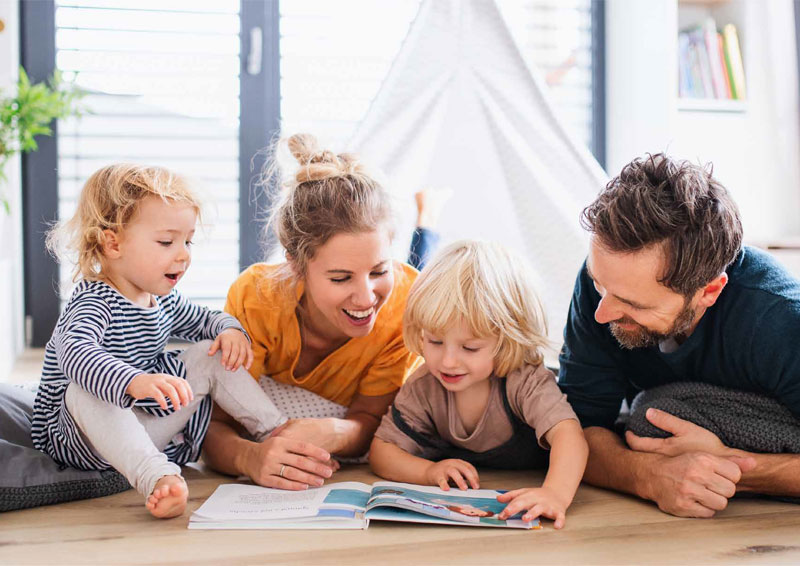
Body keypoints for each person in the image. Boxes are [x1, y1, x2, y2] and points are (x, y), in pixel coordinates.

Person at [30, 164, 318, 519]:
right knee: (82, 389)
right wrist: (133, 382)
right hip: (81, 439)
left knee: (207, 353)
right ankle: (157, 476)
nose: (183, 254)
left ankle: (275, 430)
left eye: (187, 240)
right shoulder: (93, 302)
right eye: (167, 242)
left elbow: (206, 319)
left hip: (141, 428)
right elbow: (75, 355)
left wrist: (229, 330)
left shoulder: (161, 300)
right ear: (113, 242)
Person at [558, 153, 800, 517]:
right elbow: (575, 430)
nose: (601, 312)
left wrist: (734, 468)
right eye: (598, 283)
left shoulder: (777, 319)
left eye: (633, 304)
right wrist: (648, 476)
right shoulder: (608, 282)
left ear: (709, 292)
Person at [202, 134, 440, 489]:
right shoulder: (257, 298)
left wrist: (335, 431)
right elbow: (213, 426)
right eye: (341, 278)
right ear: (297, 267)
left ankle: (430, 214)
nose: (366, 297)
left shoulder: (404, 306)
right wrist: (249, 457)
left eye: (379, 271)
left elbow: (373, 421)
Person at [369, 240, 588, 529]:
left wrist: (555, 493)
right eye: (434, 341)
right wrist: (429, 471)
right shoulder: (424, 385)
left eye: (469, 348)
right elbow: (382, 451)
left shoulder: (524, 379)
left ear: (507, 342)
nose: (448, 362)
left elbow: (570, 436)